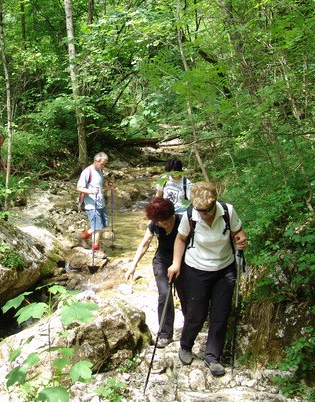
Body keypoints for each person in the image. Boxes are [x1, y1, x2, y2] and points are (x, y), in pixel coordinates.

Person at [167, 181, 248, 377]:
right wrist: (176, 263)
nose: (205, 214)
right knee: (196, 313)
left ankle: (212, 356)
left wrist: (242, 239)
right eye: (201, 210)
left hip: (224, 268)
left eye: (208, 210)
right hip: (197, 269)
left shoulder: (228, 211)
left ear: (215, 203)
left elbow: (238, 231)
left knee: (221, 313)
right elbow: (181, 239)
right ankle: (185, 346)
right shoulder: (190, 215)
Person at [125, 197, 185, 348]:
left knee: (186, 296)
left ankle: (190, 329)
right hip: (162, 261)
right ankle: (165, 334)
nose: (158, 224)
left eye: (161, 221)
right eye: (156, 221)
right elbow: (144, 244)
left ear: (170, 216)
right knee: (164, 295)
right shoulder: (155, 224)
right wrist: (133, 265)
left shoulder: (183, 222)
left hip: (183, 261)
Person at [76, 152, 113, 258]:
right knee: (97, 228)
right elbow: (79, 188)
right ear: (96, 161)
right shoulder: (87, 172)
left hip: (101, 203)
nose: (103, 166)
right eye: (102, 164)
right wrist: (91, 191)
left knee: (101, 226)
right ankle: (95, 249)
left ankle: (83, 236)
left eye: (104, 164)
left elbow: (99, 186)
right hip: (91, 204)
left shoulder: (100, 170)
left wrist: (107, 186)